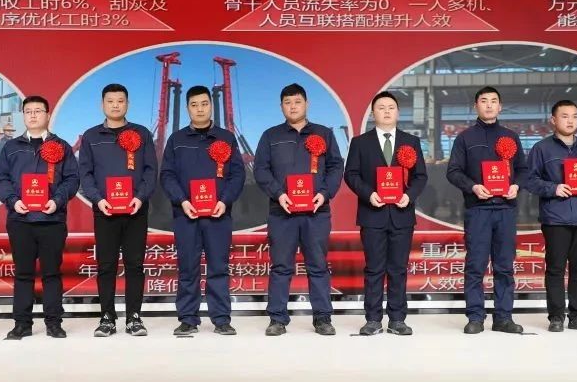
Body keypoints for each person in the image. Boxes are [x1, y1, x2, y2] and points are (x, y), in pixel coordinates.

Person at [254, 83, 344, 337]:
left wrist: (324, 194)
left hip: (316, 212)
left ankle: (323, 318)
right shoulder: (270, 136)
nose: (293, 107)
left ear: (307, 104)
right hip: (282, 212)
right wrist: (278, 193)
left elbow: (336, 167)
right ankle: (277, 319)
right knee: (281, 266)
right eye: (287, 102)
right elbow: (260, 169)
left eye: (297, 101)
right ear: (281, 106)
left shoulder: (323, 134)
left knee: (318, 266)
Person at [159, 86, 245, 336]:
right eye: (194, 105)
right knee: (188, 268)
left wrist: (225, 201)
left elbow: (237, 174)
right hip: (186, 215)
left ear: (211, 106)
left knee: (219, 267)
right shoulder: (176, 140)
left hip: (218, 215)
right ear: (188, 108)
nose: (200, 109)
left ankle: (221, 319)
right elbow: (167, 175)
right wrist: (182, 201)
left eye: (204, 104)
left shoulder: (226, 138)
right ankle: (188, 318)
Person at [0, 96, 80, 340]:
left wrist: (57, 200)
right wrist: (13, 200)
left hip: (52, 220)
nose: (33, 115)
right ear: (23, 116)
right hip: (20, 220)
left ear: (48, 115)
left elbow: (72, 179)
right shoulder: (11, 147)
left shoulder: (61, 146)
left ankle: (54, 323)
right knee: (23, 273)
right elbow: (1, 179)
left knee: (52, 273)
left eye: (38, 111)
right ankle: (22, 324)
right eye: (28, 111)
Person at [344, 91, 428, 336]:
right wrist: (369, 194)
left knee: (398, 269)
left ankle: (397, 319)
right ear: (373, 113)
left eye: (391, 107)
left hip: (402, 214)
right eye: (381, 107)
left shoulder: (411, 142)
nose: (387, 111)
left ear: (398, 112)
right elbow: (351, 174)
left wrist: (409, 195)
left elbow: (421, 176)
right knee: (374, 268)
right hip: (372, 214)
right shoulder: (360, 143)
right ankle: (372, 319)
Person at [446, 86, 528, 335]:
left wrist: (516, 185)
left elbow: (523, 170)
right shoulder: (465, 138)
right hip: (478, 209)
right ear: (476, 106)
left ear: (500, 107)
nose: (489, 105)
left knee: (504, 266)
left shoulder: (511, 137)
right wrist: (473, 186)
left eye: (494, 101)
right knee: (475, 265)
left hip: (505, 209)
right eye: (484, 101)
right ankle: (475, 317)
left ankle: (504, 318)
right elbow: (453, 171)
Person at [78, 84, 157, 337]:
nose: (115, 105)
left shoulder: (141, 133)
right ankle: (107, 318)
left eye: (120, 101)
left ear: (127, 104)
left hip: (136, 211)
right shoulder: (91, 136)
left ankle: (134, 317)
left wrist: (140, 197)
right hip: (105, 211)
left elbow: (150, 171)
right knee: (106, 265)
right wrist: (98, 199)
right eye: (110, 101)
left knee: (135, 265)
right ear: (102, 104)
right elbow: (85, 173)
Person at [524, 100, 577, 333]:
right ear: (553, 120)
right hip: (555, 217)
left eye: (575, 116)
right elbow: (529, 180)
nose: (570, 121)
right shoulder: (542, 148)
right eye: (565, 116)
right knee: (556, 269)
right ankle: (556, 316)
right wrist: (553, 188)